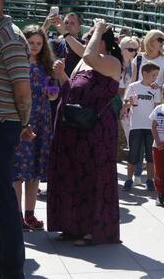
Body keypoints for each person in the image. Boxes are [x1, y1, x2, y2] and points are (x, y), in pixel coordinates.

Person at [48, 18, 122, 246]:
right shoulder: (84, 61)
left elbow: (88, 55)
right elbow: (73, 86)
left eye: (91, 37)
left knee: (94, 177)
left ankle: (94, 230)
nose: (87, 40)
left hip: (97, 129)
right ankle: (73, 226)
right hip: (74, 127)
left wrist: (99, 28)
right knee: (73, 176)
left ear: (102, 42)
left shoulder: (111, 61)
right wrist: (62, 75)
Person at [0, 0, 32, 279]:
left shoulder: (8, 37)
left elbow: (23, 89)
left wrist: (23, 124)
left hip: (3, 126)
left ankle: (11, 273)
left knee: (3, 200)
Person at [13, 26, 58, 231]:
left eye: (39, 43)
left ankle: (30, 214)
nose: (35, 47)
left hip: (42, 119)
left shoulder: (46, 66)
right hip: (22, 119)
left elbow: (53, 95)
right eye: (31, 42)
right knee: (19, 171)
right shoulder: (17, 63)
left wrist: (52, 88)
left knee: (35, 171)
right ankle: (16, 215)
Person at [122, 62, 161, 191]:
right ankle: (128, 179)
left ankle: (150, 180)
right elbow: (125, 105)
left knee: (150, 156)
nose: (155, 78)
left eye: (156, 75)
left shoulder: (155, 89)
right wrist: (129, 104)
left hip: (150, 127)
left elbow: (157, 108)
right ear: (144, 74)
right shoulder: (133, 86)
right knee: (133, 155)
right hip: (136, 126)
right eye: (153, 75)